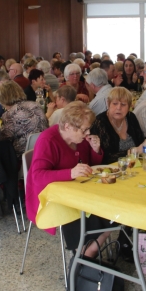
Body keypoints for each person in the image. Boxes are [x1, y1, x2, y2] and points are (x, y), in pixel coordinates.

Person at [26, 101, 111, 257]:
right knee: (81, 206)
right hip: (47, 196)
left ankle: (90, 248)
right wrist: (70, 173)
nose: (87, 133)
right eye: (84, 130)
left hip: (74, 189)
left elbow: (89, 165)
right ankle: (84, 250)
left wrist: (96, 150)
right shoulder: (48, 140)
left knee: (106, 202)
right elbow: (37, 176)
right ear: (67, 127)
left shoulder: (79, 140)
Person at [90, 87, 145, 164]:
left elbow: (141, 143)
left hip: (134, 165)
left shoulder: (131, 117)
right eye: (115, 103)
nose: (119, 108)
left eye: (123, 104)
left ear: (129, 106)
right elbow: (106, 158)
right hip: (110, 170)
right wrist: (133, 151)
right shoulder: (100, 122)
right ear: (108, 104)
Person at [0, 81, 48, 158]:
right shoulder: (35, 105)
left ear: (2, 98)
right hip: (44, 150)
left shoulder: (9, 115)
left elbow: (4, 141)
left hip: (23, 158)